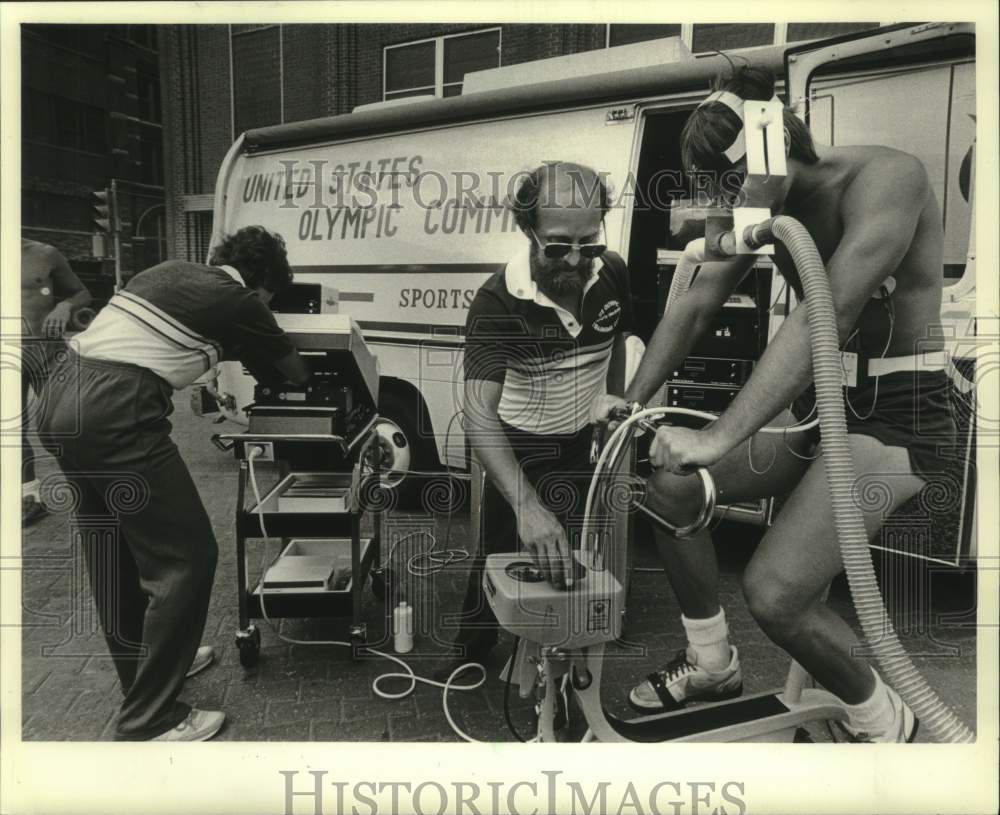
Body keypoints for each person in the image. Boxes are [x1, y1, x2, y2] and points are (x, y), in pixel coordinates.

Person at [595, 65, 955, 743]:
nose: (731, 203)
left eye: (736, 182)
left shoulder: (887, 179)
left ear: (775, 144)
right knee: (669, 484)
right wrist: (629, 401)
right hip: (830, 407)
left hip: (901, 416)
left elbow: (825, 315)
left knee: (775, 593)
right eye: (720, 189)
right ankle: (710, 662)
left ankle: (887, 723)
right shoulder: (762, 204)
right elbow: (699, 298)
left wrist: (719, 435)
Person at [38, 226, 311, 741]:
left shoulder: (166, 271)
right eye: (270, 299)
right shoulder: (240, 300)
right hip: (118, 408)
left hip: (61, 396)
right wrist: (265, 335)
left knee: (115, 555)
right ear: (262, 285)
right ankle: (152, 718)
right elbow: (293, 372)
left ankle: (147, 674)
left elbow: (165, 335)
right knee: (185, 557)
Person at [444, 161, 634, 672]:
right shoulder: (497, 302)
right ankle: (472, 651)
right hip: (517, 445)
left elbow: (615, 341)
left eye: (588, 242)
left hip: (577, 442)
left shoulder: (611, 271)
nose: (576, 258)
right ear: (527, 229)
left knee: (570, 554)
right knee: (499, 553)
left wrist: (612, 401)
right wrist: (526, 504)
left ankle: (560, 652)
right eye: (557, 245)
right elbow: (478, 414)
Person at [20, 238, 92, 525]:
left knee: (68, 424)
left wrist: (64, 307)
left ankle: (92, 491)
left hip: (45, 352)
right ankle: (30, 498)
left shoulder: (44, 253)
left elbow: (81, 293)